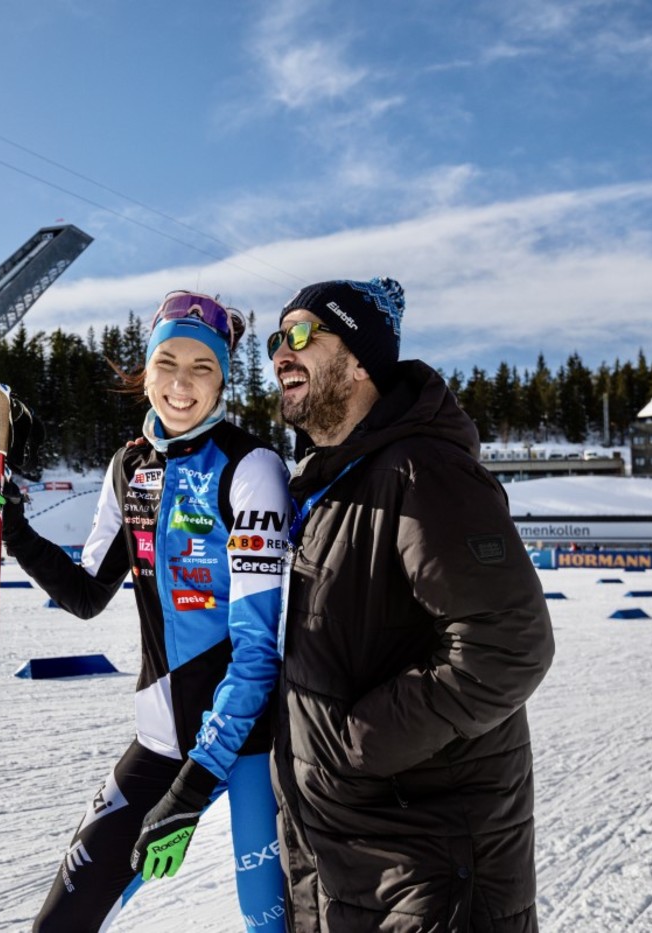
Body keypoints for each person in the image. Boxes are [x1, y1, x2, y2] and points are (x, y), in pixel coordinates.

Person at [0, 290, 291, 932]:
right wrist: (16, 529)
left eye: (202, 367)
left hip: (253, 744)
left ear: (224, 379)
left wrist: (194, 786)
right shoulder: (129, 467)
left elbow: (258, 652)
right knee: (60, 924)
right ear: (144, 371)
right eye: (167, 362)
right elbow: (88, 592)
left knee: (272, 925)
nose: (181, 383)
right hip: (162, 738)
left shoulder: (251, 467)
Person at [266, 276, 556, 931]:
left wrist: (352, 745)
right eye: (274, 340)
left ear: (362, 360)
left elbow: (510, 645)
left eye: (303, 334)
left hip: (428, 871)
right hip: (352, 864)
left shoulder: (423, 468)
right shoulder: (333, 484)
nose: (281, 352)